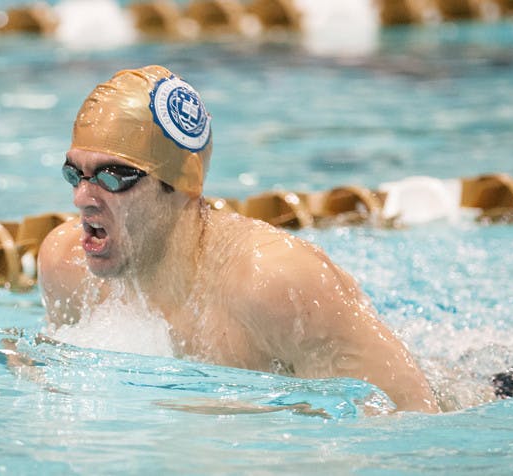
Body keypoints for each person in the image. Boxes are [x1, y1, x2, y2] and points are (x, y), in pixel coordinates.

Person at [37, 65, 440, 413]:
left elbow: (407, 418)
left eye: (112, 177)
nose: (82, 198)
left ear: (182, 184)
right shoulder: (65, 265)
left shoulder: (275, 285)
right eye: (75, 174)